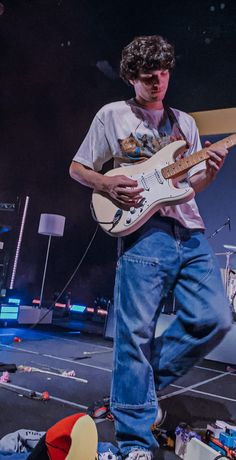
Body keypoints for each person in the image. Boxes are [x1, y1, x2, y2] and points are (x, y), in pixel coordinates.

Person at [69, 35, 232, 460]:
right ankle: (135, 440)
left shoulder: (186, 125)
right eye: (147, 78)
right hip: (144, 232)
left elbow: (191, 186)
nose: (157, 83)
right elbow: (78, 168)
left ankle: (137, 391)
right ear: (131, 78)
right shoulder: (113, 116)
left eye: (163, 74)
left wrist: (210, 173)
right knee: (134, 336)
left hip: (190, 230)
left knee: (214, 318)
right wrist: (106, 182)